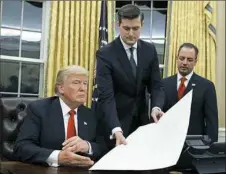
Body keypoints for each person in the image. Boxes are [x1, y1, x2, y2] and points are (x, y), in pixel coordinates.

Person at [96, 4, 164, 148]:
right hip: (115, 126)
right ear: (118, 25)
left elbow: (156, 85)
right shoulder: (105, 54)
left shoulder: (149, 50)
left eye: (136, 28)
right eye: (126, 28)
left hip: (141, 125)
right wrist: (116, 129)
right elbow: (106, 97)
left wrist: (156, 107)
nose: (131, 34)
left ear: (142, 25)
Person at [13, 65, 107, 167]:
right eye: (76, 83)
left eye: (85, 83)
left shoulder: (91, 114)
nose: (83, 88)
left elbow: (103, 147)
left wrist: (88, 146)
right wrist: (58, 157)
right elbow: (22, 147)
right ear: (61, 88)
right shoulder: (39, 110)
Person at [162, 43, 218, 142]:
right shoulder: (164, 84)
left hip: (194, 145)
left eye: (189, 59)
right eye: (182, 58)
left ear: (195, 61)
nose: (184, 62)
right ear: (177, 58)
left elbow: (211, 122)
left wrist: (210, 150)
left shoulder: (206, 86)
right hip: (167, 142)